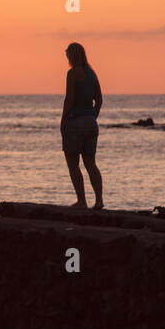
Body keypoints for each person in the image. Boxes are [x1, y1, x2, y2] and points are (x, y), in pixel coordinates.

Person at [60, 41, 103, 209]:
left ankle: (82, 201)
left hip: (75, 122)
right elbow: (99, 100)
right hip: (91, 122)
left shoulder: (72, 74)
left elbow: (69, 99)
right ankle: (99, 200)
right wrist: (92, 116)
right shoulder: (92, 74)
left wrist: (63, 121)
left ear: (71, 56)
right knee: (91, 163)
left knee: (73, 165)